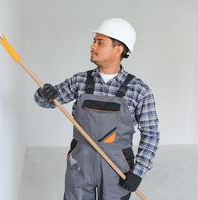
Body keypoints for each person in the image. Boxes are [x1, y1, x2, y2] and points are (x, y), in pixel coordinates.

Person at [33, 18, 160, 200]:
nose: (92, 47)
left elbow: (151, 134)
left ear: (118, 49)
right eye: (94, 41)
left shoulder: (139, 90)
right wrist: (44, 93)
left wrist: (138, 172)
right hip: (80, 162)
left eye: (100, 43)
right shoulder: (80, 81)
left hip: (117, 167)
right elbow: (45, 102)